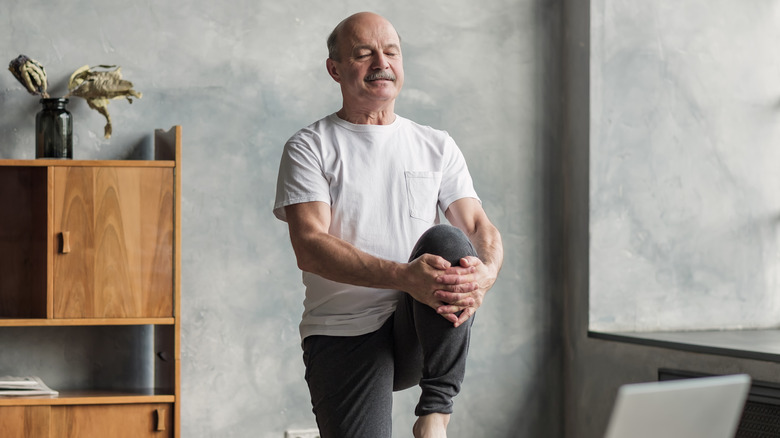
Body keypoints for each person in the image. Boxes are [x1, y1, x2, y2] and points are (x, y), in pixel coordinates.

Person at [273, 11, 503, 438]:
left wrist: (485, 275)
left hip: (418, 324)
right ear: (335, 69)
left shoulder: (436, 145)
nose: (382, 62)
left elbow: (479, 228)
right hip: (342, 332)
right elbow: (309, 245)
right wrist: (404, 277)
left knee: (449, 240)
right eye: (363, 53)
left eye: (391, 52)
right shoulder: (310, 147)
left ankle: (436, 414)